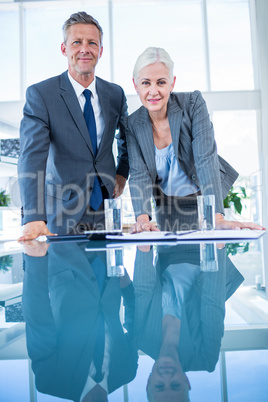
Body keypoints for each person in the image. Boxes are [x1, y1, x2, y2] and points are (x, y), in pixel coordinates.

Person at [124, 47, 264, 233]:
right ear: (136, 85)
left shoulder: (192, 104)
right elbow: (139, 173)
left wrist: (215, 216)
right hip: (168, 206)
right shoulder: (132, 124)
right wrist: (142, 219)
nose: (153, 91)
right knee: (173, 255)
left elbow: (205, 158)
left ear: (172, 84)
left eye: (161, 82)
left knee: (212, 256)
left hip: (204, 197)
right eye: (146, 83)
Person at [18, 12, 129, 241]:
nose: (84, 49)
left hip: (107, 213)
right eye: (77, 42)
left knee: (110, 274)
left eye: (92, 43)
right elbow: (32, 156)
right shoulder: (42, 95)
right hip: (63, 213)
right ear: (64, 48)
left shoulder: (115, 94)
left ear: (100, 50)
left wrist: (122, 173)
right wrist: (33, 216)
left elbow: (127, 140)